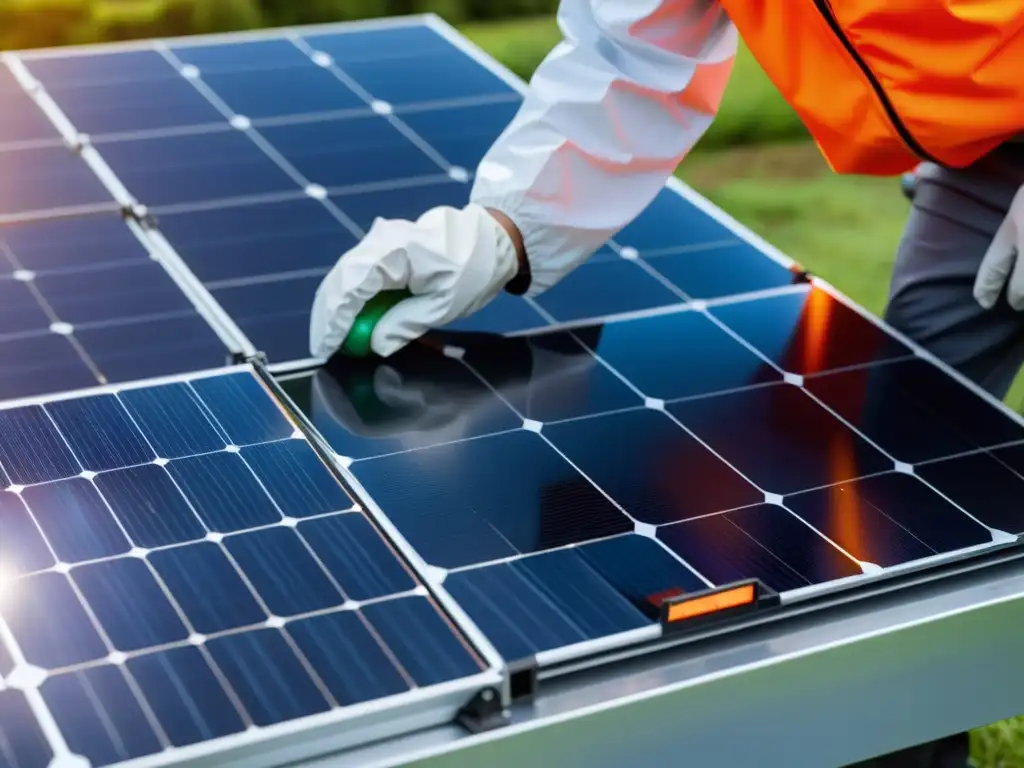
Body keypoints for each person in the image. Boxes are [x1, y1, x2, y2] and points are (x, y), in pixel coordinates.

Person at [309, 2, 1024, 765]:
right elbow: (634, 54)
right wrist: (504, 230)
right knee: (907, 481)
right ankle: (906, 732)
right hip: (983, 145)